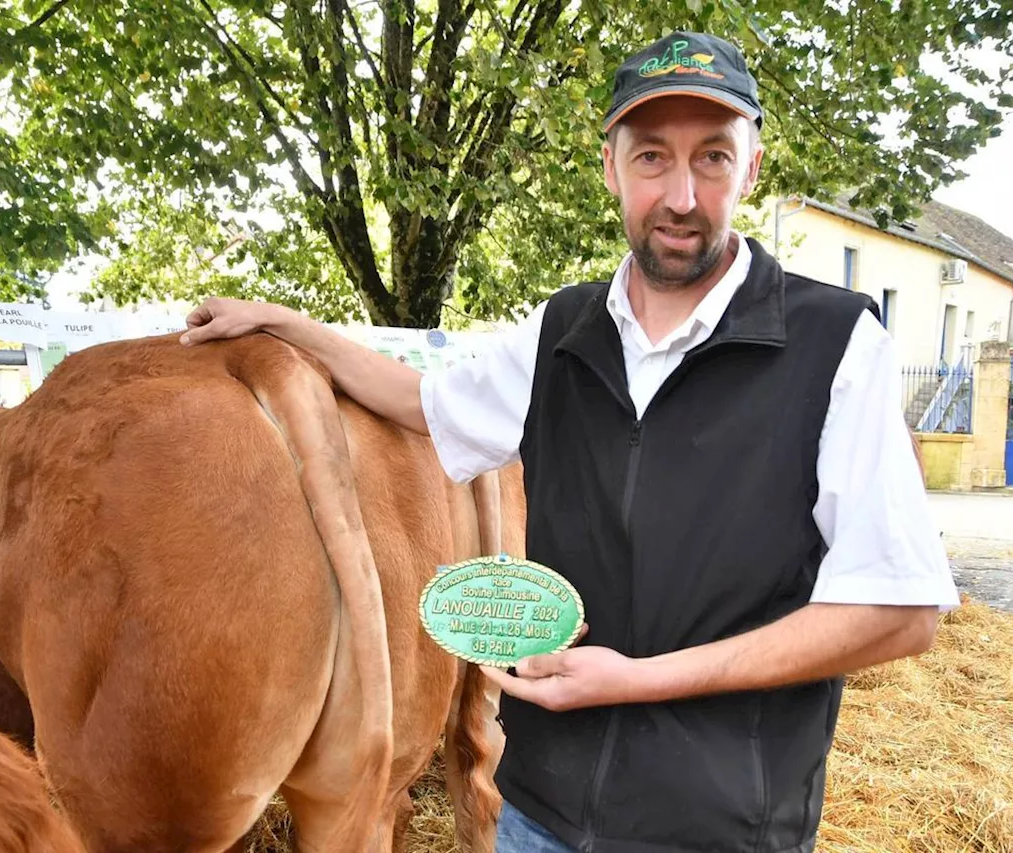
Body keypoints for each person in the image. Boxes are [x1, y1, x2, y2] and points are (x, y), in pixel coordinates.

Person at [180, 30, 959, 853]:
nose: (683, 196)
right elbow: (426, 401)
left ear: (752, 170)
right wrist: (286, 324)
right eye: (653, 157)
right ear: (611, 168)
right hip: (539, 817)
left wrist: (637, 682)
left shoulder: (837, 345)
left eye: (714, 158)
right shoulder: (562, 328)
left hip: (718, 833)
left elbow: (899, 612)